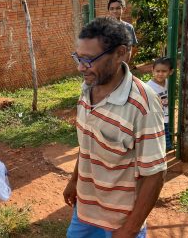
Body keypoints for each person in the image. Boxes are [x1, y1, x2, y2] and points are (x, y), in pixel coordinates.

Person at [65, 17, 166, 238]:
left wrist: (129, 230)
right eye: (78, 57)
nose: (80, 67)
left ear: (120, 53)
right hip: (84, 209)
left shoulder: (143, 106)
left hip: (120, 221)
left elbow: (155, 175)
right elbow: (87, 144)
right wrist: (75, 180)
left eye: (89, 59)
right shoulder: (87, 88)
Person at [146, 57, 173, 150]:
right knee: (158, 143)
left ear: (170, 72)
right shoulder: (148, 86)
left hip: (165, 117)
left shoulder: (167, 82)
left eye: (164, 71)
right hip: (154, 118)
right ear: (152, 71)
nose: (160, 74)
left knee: (165, 143)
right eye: (157, 71)